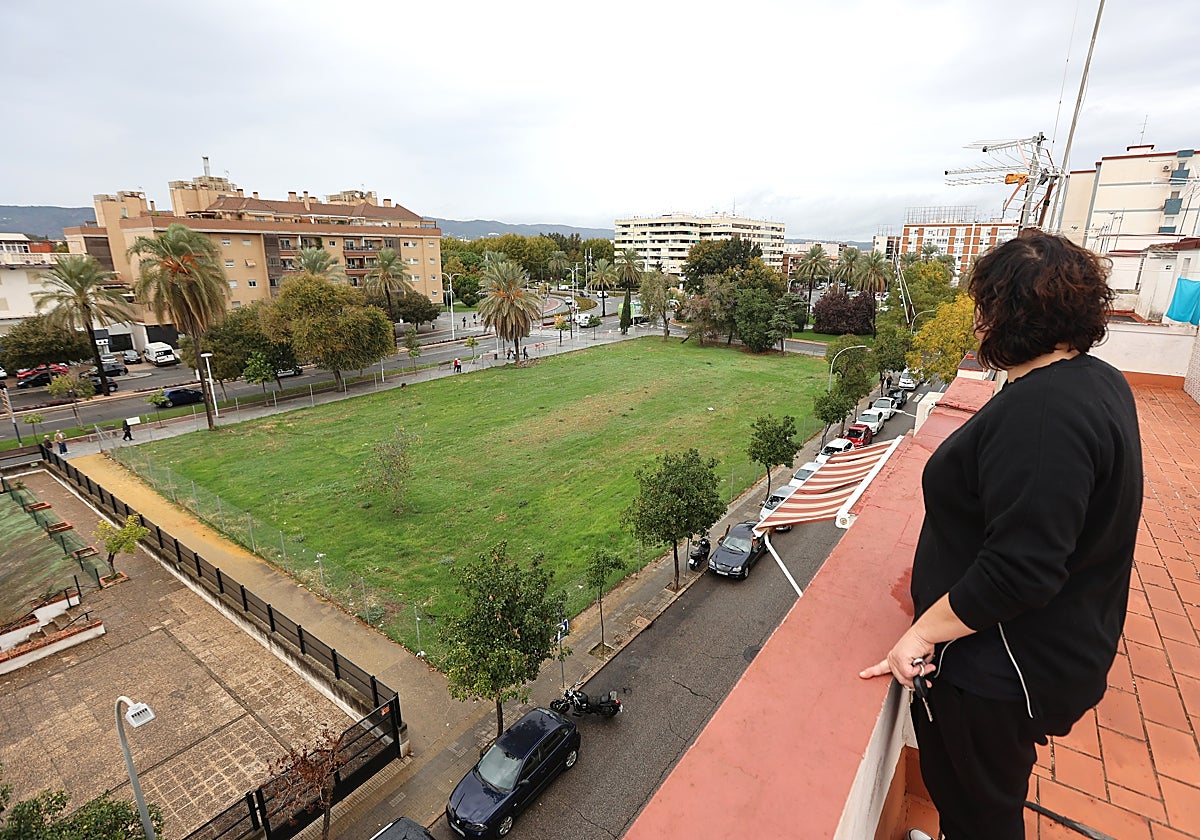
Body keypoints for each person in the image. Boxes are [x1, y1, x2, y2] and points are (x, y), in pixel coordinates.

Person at [859, 231, 1142, 840]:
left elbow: (1022, 568)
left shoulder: (1043, 414)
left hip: (996, 671)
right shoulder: (1096, 380)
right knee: (979, 803)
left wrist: (919, 634)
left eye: (986, 306)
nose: (979, 321)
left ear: (1008, 316)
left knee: (978, 813)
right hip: (1042, 653)